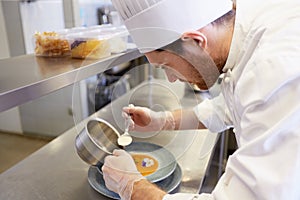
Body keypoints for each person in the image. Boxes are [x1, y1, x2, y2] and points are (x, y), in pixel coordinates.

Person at [101, 0, 300, 199]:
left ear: (195, 42)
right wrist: (162, 120)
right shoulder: (250, 28)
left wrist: (132, 187)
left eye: (165, 66)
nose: (171, 79)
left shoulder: (274, 66)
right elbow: (230, 107)